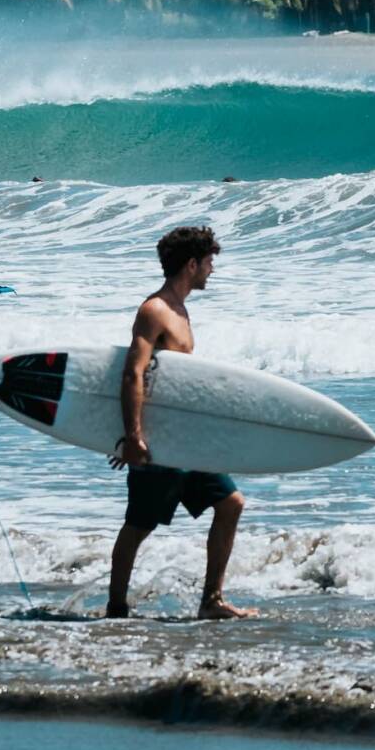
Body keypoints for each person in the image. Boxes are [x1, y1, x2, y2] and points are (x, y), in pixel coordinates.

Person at [106, 226, 256, 621]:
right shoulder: (155, 310)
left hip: (185, 441)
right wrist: (133, 437)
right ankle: (116, 607)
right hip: (159, 444)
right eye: (208, 263)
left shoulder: (180, 308)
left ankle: (211, 601)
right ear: (191, 264)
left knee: (231, 504)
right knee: (138, 526)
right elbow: (131, 374)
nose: (211, 271)